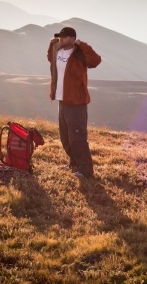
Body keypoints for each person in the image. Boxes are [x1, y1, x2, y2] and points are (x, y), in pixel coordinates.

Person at [47, 26, 101, 179]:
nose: (61, 39)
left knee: (78, 138)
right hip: (62, 101)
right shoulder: (58, 51)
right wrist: (51, 45)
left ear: (72, 38)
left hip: (76, 103)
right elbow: (50, 59)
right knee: (65, 137)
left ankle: (86, 171)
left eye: (64, 37)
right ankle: (75, 164)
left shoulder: (79, 54)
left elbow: (95, 61)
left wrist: (82, 45)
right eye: (59, 37)